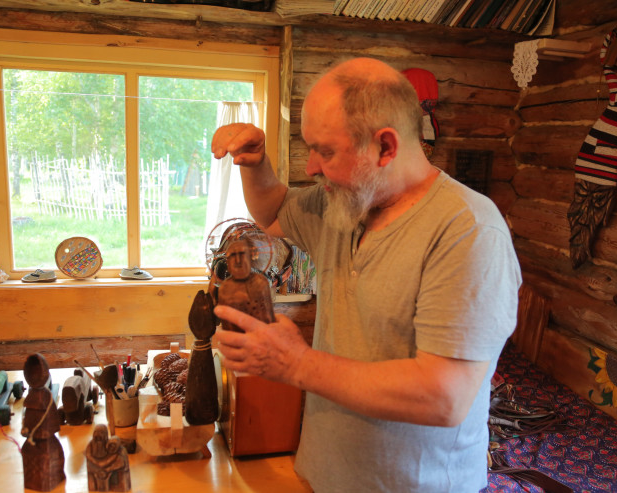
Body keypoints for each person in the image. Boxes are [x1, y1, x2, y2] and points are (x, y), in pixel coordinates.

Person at [210, 57, 522, 492]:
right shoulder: (344, 202)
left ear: (385, 147)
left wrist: (297, 364)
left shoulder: (468, 229)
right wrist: (255, 164)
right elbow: (274, 212)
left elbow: (444, 397)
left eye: (325, 151)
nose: (311, 167)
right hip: (325, 475)